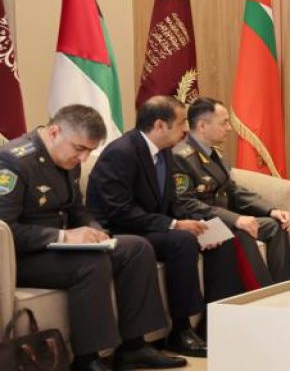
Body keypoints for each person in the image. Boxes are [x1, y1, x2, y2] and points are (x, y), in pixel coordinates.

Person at [0, 105, 186, 371]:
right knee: (90, 263)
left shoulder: (69, 159)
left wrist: (94, 229)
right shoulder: (13, 161)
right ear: (54, 132)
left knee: (136, 248)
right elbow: (6, 229)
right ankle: (88, 359)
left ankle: (134, 347)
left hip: (59, 248)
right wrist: (64, 236)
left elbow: (77, 209)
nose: (84, 158)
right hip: (23, 257)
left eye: (89, 150)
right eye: (80, 149)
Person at [86, 96, 243, 358]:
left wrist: (199, 226)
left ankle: (215, 325)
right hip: (120, 230)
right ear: (160, 125)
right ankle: (181, 330)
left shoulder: (165, 151)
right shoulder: (121, 153)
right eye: (181, 123)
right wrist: (173, 225)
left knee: (215, 237)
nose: (186, 129)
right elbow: (120, 211)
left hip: (149, 226)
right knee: (181, 241)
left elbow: (172, 201)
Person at [172, 97, 290, 286]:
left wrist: (271, 210)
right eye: (224, 123)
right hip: (201, 225)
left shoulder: (215, 153)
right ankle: (260, 294)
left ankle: (286, 288)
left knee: (275, 225)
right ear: (202, 125)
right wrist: (235, 219)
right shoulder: (181, 157)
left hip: (225, 220)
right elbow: (186, 205)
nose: (229, 128)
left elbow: (232, 189)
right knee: (242, 231)